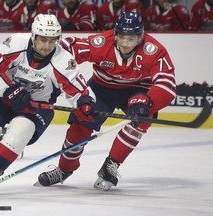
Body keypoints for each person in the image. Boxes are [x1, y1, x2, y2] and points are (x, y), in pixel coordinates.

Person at [0, 14, 96, 192]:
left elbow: (80, 89)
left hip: (35, 105)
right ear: (33, 36)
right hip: (2, 96)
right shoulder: (14, 44)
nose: (46, 46)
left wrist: (85, 102)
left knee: (20, 132)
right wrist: (8, 90)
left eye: (52, 41)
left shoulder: (63, 60)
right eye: (43, 39)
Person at [36, 11, 176, 191]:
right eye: (122, 37)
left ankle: (111, 165)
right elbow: (67, 47)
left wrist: (148, 101)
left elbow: (167, 83)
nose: (125, 44)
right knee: (80, 124)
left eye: (131, 38)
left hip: (137, 91)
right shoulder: (101, 43)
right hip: (101, 89)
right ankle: (64, 169)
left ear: (141, 37)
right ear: (115, 34)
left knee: (142, 120)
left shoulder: (154, 50)